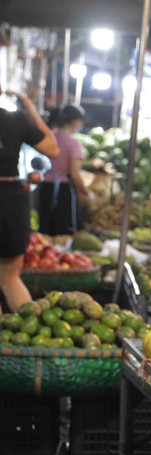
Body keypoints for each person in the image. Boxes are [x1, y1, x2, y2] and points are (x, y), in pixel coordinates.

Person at [0, 90, 58, 310]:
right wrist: (30, 109)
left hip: (12, 194)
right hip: (12, 198)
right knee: (9, 278)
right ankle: (24, 336)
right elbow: (52, 148)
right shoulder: (15, 120)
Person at [37, 105, 88, 235]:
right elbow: (75, 174)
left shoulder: (49, 137)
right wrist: (86, 192)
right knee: (64, 232)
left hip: (45, 187)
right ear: (76, 122)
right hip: (63, 191)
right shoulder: (73, 144)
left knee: (45, 230)